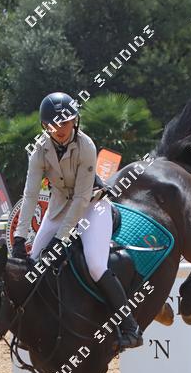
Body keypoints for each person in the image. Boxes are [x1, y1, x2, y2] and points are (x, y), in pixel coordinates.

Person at [11, 92, 143, 350]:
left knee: (96, 265)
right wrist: (19, 237)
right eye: (54, 124)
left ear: (75, 121)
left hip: (92, 206)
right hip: (60, 206)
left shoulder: (86, 146)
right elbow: (30, 194)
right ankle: (33, 328)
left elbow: (82, 198)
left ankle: (130, 327)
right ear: (45, 125)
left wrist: (60, 239)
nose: (60, 129)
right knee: (33, 262)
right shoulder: (39, 150)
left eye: (65, 122)